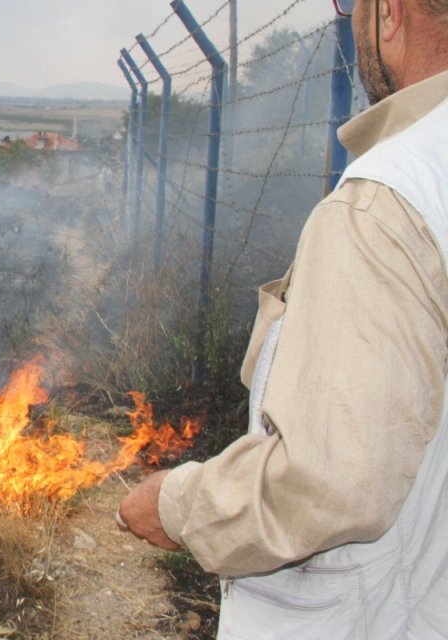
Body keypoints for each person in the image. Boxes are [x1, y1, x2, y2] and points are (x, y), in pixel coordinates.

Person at [118, 0, 448, 637]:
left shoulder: (381, 205)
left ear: (391, 14)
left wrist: (179, 505)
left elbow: (331, 484)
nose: (348, 23)